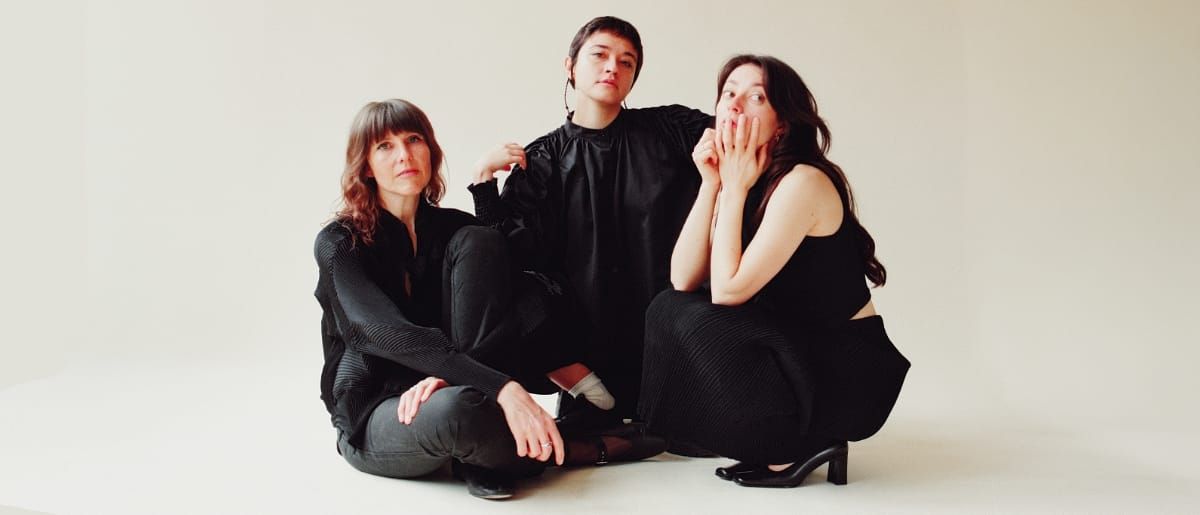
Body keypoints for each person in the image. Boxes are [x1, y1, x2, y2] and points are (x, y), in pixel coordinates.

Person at [313, 99, 662, 500]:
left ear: (431, 150)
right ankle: (584, 447)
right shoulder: (340, 243)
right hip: (380, 409)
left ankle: (486, 453)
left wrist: (483, 184)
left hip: (459, 386)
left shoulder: (449, 230)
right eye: (385, 147)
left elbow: (513, 269)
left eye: (413, 139)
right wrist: (503, 388)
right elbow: (379, 332)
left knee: (482, 245)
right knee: (456, 414)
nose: (405, 155)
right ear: (365, 166)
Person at [638, 55, 911, 487]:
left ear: (781, 123)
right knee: (669, 308)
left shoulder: (802, 181)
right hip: (796, 350)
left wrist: (735, 188)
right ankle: (772, 438)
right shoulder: (740, 179)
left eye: (755, 97)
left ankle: (792, 445)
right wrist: (713, 184)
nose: (735, 105)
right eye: (729, 93)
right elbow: (682, 279)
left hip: (844, 373)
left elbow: (728, 293)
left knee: (705, 320)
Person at [469, 16, 712, 431]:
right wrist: (483, 183)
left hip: (670, 333)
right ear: (570, 67)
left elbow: (748, 135)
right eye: (600, 55)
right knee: (490, 280)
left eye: (627, 62)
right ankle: (580, 382)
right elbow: (502, 259)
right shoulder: (541, 160)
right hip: (586, 342)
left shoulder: (670, 130)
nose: (612, 68)